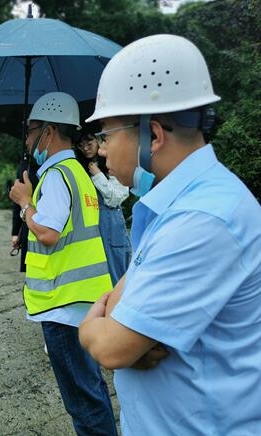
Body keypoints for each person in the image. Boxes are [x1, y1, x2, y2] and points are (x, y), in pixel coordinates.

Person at [79, 34, 261, 435]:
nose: (102, 150)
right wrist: (127, 332)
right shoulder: (179, 204)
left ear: (154, 136)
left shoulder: (203, 218)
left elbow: (111, 347)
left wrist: (89, 329)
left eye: (107, 135)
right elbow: (121, 311)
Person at [9, 92, 117, 435]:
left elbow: (48, 233)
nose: (28, 140)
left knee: (82, 400)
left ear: (49, 131)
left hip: (62, 304)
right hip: (83, 301)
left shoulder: (56, 176)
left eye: (31, 131)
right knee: (91, 388)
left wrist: (25, 204)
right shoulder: (77, 172)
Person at [75, 128, 131, 284]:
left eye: (89, 143)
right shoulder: (79, 167)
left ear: (99, 141)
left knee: (115, 271)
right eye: (81, 145)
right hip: (89, 225)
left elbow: (116, 198)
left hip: (111, 225)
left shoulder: (114, 162)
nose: (85, 148)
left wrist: (98, 175)